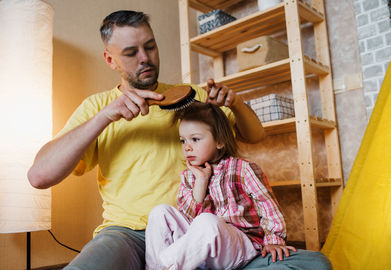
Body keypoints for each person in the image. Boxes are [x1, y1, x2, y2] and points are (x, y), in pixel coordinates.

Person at [27, 10, 331, 270]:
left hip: (203, 229)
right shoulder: (97, 108)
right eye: (131, 53)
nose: (145, 59)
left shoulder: (193, 96)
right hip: (128, 234)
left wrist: (236, 103)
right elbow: (39, 176)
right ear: (110, 59)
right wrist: (106, 117)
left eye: (150, 47)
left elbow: (255, 135)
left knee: (316, 264)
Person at [145, 101, 297, 270]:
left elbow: (268, 206)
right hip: (200, 248)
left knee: (207, 221)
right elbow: (187, 217)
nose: (187, 147)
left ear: (219, 141)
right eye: (183, 141)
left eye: (195, 139)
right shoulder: (189, 176)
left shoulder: (243, 169)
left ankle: (169, 267)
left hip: (238, 244)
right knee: (160, 212)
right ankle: (156, 267)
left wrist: (274, 240)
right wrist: (201, 182)